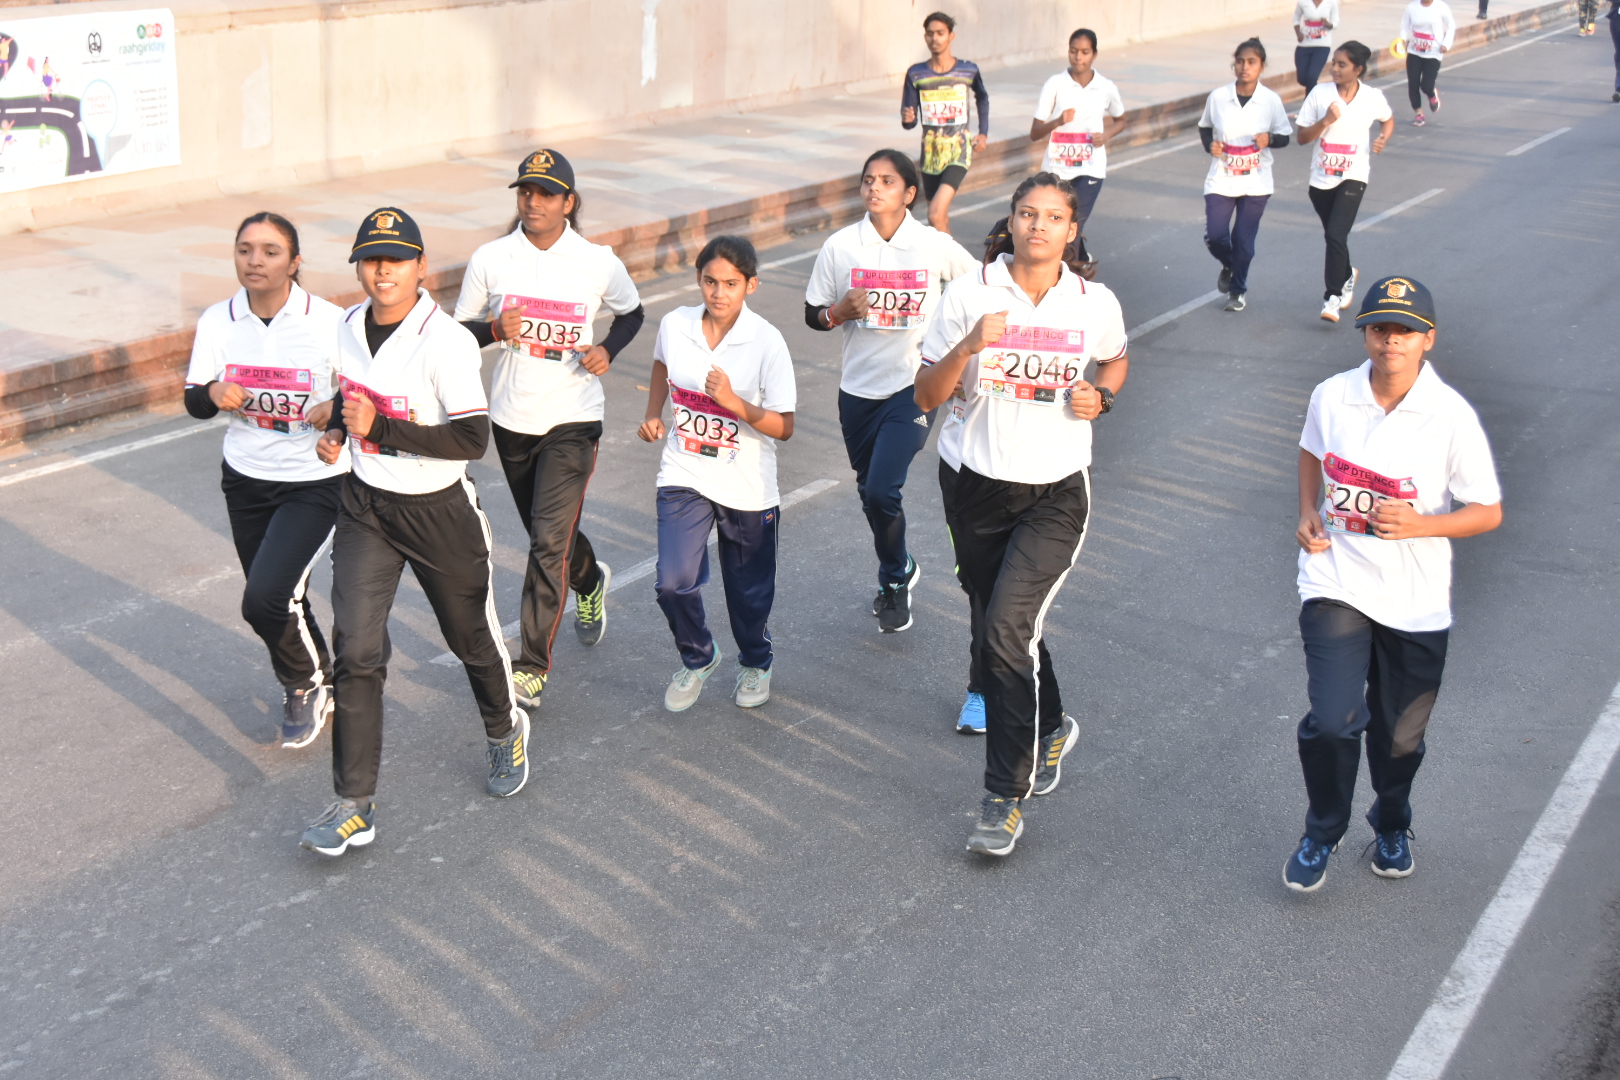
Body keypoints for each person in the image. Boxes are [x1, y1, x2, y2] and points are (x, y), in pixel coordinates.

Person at [299, 208, 528, 857]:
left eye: (396, 260)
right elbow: (352, 400)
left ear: (420, 267)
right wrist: (337, 431)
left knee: (470, 639)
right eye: (371, 259)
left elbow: (471, 438)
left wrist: (377, 428)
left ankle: (504, 727)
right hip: (365, 506)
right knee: (355, 650)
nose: (383, 271)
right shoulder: (346, 327)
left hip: (438, 511)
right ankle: (353, 805)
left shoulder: (446, 341)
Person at [915, 173, 1129, 857]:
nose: (1039, 225)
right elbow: (925, 395)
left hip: (1055, 493)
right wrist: (967, 346)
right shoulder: (969, 294)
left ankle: (1003, 796)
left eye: (1053, 216)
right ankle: (1053, 723)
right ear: (1010, 221)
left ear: (1072, 230)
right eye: (1027, 213)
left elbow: (1114, 364)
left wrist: (1101, 398)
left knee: (1005, 628)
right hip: (973, 484)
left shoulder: (1094, 303)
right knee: (1002, 625)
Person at [1283, 276, 1502, 892]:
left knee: (1399, 737)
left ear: (1427, 339)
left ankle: (1391, 821)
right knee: (1333, 720)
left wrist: (1421, 524)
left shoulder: (1450, 415)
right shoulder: (1333, 395)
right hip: (1337, 580)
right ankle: (1322, 830)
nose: (1391, 341)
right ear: (1366, 335)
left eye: (1405, 330)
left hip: (1416, 599)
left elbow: (1487, 510)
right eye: (1380, 328)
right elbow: (1312, 452)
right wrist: (1307, 511)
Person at [452, 149, 645, 712]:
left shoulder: (596, 261)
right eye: (525, 191)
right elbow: (457, 336)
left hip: (574, 416)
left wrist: (607, 349)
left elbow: (632, 313)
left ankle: (531, 666)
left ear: (568, 202)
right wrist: (493, 328)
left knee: (545, 542)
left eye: (545, 193)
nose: (533, 201)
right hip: (512, 419)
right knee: (550, 538)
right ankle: (589, 580)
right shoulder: (491, 258)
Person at [183, 212, 348, 749]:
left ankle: (302, 685)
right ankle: (324, 676)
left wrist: (335, 412)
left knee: (265, 598)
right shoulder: (218, 321)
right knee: (283, 595)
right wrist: (213, 393)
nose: (255, 261)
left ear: (294, 263)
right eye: (245, 250)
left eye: (270, 251)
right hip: (246, 480)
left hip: (315, 480)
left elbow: (363, 390)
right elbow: (193, 398)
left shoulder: (330, 321)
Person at [804, 149, 978, 633]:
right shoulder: (841, 246)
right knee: (871, 493)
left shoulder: (932, 245)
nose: (874, 188)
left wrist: (958, 356)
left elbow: (980, 288)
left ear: (909, 192)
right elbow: (813, 312)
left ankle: (893, 580)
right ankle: (899, 567)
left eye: (886, 180)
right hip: (858, 390)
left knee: (883, 488)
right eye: (868, 180)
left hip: (914, 387)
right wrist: (837, 313)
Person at [637, 237, 796, 713]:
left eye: (731, 284)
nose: (718, 293)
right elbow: (661, 364)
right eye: (710, 281)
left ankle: (756, 661)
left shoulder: (766, 340)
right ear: (698, 279)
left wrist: (734, 403)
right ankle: (699, 656)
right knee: (672, 581)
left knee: (748, 595)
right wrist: (653, 413)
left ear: (751, 285)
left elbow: (784, 426)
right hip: (684, 468)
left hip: (747, 483)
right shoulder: (676, 324)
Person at [1295, 42, 1394, 324]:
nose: (1335, 69)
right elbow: (1302, 138)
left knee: (1335, 234)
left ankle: (1332, 297)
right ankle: (1347, 273)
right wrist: (1325, 120)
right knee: (1334, 236)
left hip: (1354, 175)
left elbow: (1387, 120)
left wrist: (1383, 138)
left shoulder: (1372, 97)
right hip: (1321, 179)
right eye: (1334, 63)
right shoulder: (1319, 94)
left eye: (1342, 65)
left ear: (1358, 69)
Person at [1198, 39, 1294, 313]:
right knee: (1216, 236)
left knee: (1244, 242)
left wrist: (1269, 139)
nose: (1245, 67)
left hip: (1256, 181)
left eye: (1252, 62)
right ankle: (1230, 265)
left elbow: (1285, 137)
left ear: (1262, 66)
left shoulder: (1270, 100)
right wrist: (1210, 145)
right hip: (1222, 177)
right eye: (1240, 61)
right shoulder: (1218, 97)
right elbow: (1204, 127)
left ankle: (1237, 291)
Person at [1029, 29, 1127, 270]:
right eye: (1073, 51)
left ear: (1094, 54)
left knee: (1071, 226)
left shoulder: (1105, 87)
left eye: (1084, 52)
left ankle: (1067, 277)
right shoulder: (1055, 84)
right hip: (1056, 169)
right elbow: (1035, 132)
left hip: (1090, 167)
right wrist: (1058, 121)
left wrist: (1105, 136)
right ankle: (1081, 259)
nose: (1078, 57)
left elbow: (1121, 120)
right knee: (1060, 223)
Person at [901, 11, 990, 235]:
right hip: (930, 153)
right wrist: (908, 119)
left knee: (934, 213)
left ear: (951, 36)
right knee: (939, 218)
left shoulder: (968, 70)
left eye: (940, 33)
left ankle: (952, 259)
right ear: (925, 37)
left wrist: (983, 133)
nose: (935, 38)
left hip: (958, 149)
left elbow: (982, 98)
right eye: (930, 33)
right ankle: (950, 258)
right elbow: (909, 118)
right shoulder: (916, 73)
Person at [1401, 0, 1455, 126]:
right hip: (1414, 51)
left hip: (1434, 52)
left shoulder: (1441, 7)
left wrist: (1446, 44)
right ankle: (1419, 114)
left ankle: (1431, 94)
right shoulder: (1411, 7)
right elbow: (1405, 26)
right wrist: (1403, 40)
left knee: (1426, 85)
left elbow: (1451, 26)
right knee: (1413, 84)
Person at [1293, 0, 1341, 89]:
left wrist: (1328, 24)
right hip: (1304, 45)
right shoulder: (1303, 2)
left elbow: (1335, 22)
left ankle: (1311, 97)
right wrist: (1298, 33)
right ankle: (1313, 92)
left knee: (1312, 77)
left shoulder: (1331, 2)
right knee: (1302, 79)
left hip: (1322, 45)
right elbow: (1296, 18)